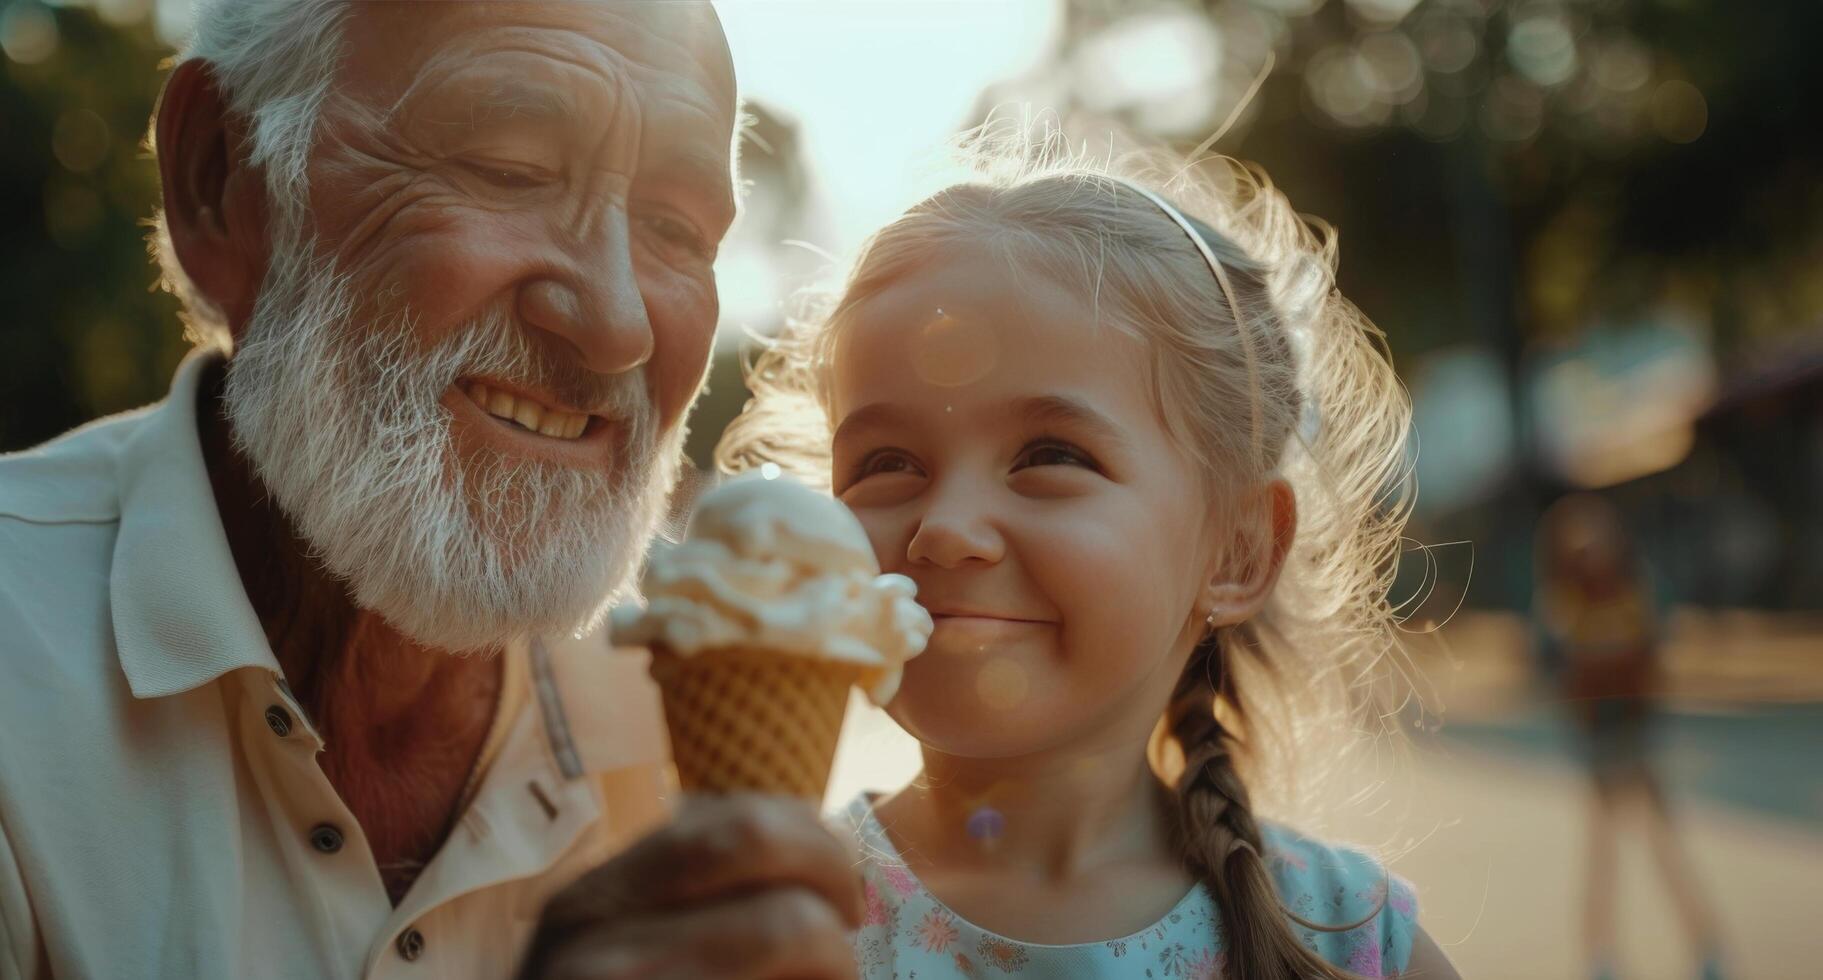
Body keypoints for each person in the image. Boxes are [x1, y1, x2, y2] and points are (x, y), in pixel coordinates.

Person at [0, 2, 862, 977]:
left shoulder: (686, 703)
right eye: (511, 170)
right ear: (218, 178)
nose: (617, 321)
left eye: (674, 228)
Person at [718, 119, 1461, 979]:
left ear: (1238, 551)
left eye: (1050, 457)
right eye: (886, 464)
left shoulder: (1354, 942)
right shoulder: (760, 932)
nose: (946, 526)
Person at [1535, 493, 1725, 980]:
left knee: (1662, 843)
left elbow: (1650, 662)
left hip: (1636, 737)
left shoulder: (1632, 591)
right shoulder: (1566, 603)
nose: (1592, 549)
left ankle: (1704, 942)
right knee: (1604, 852)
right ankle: (1601, 953)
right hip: (1600, 741)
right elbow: (1565, 676)